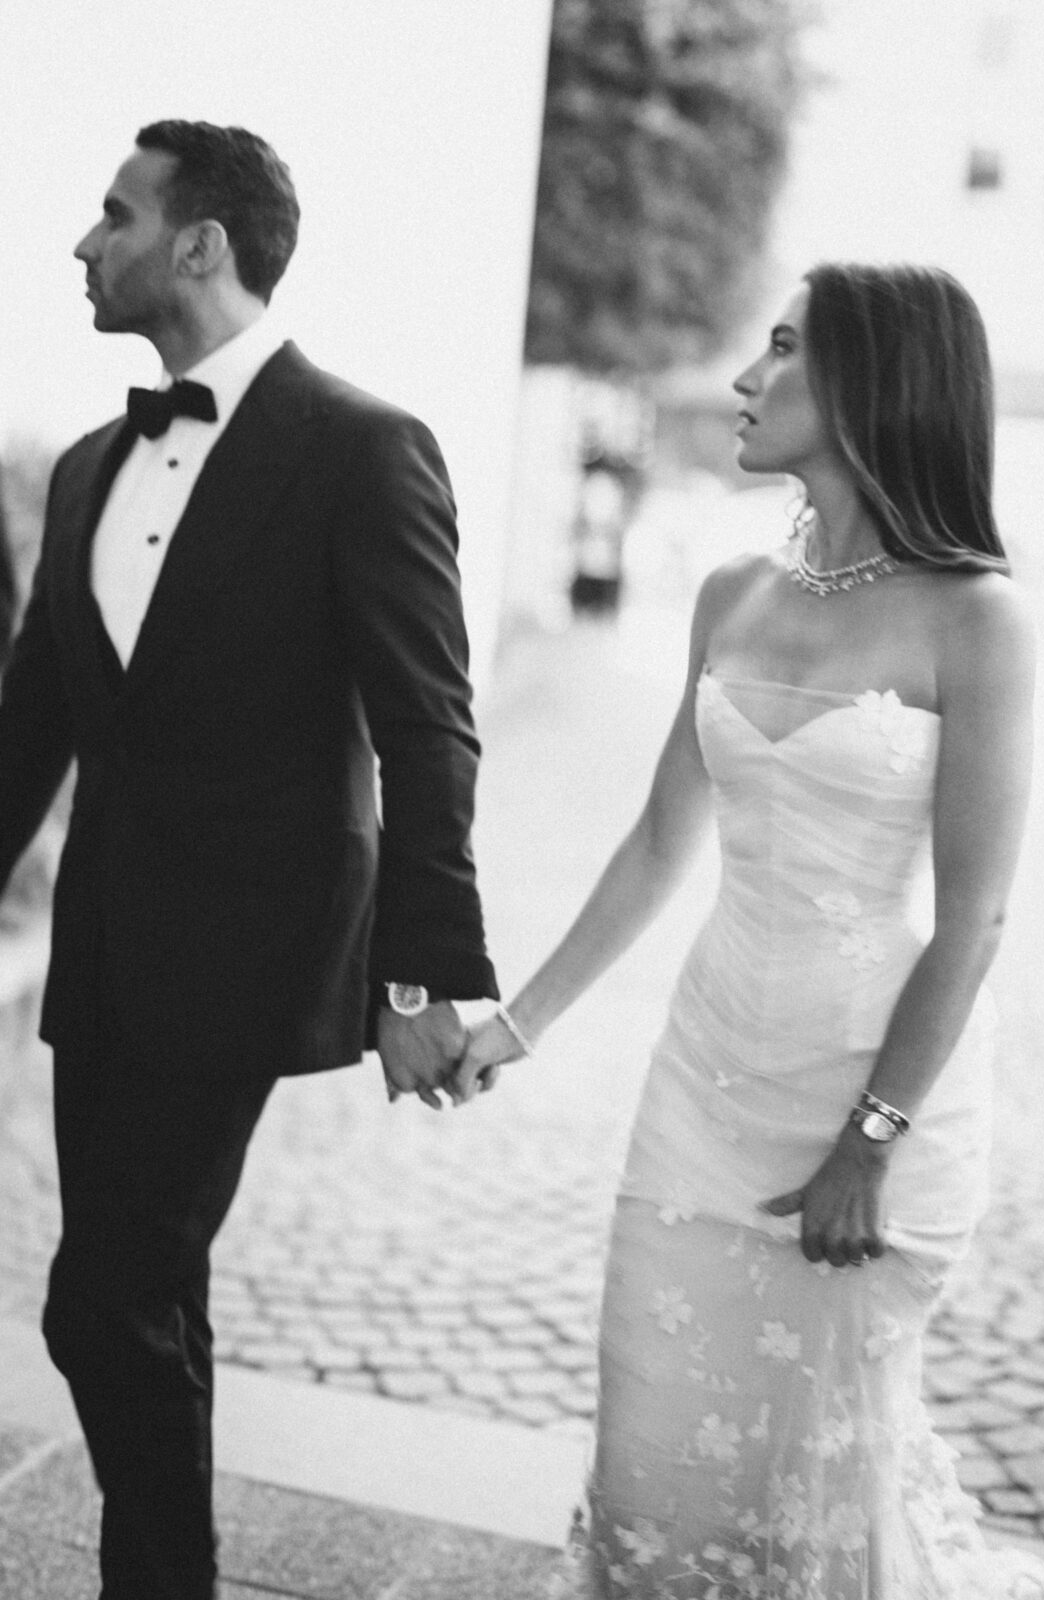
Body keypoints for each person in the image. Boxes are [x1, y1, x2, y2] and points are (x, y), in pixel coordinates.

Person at [456, 264, 1044, 1596]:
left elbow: (978, 918)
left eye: (779, 351)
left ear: (867, 384)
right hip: (704, 1083)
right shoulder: (730, 591)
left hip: (871, 1099)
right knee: (653, 1443)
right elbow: (659, 841)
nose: (742, 380)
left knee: (816, 1478)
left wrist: (872, 1140)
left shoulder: (982, 624)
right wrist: (520, 1019)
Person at [0, 121, 497, 1599]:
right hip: (104, 946)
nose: (85, 243)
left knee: (99, 1301)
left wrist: (423, 971)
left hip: (250, 943)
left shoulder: (360, 446)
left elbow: (431, 727)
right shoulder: (93, 466)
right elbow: (29, 724)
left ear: (198, 245)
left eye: (115, 214)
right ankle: (169, 1575)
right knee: (148, 1288)